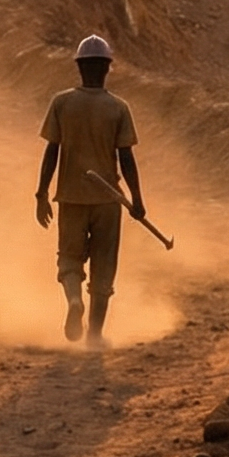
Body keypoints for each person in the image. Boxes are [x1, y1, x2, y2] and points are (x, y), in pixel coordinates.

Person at [33, 34, 145, 343]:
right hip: (109, 200)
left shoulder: (62, 103)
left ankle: (73, 301)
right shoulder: (118, 108)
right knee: (103, 266)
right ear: (108, 68)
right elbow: (126, 158)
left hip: (70, 197)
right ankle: (94, 334)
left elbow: (51, 151)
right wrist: (137, 199)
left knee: (69, 259)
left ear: (79, 67)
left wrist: (42, 194)